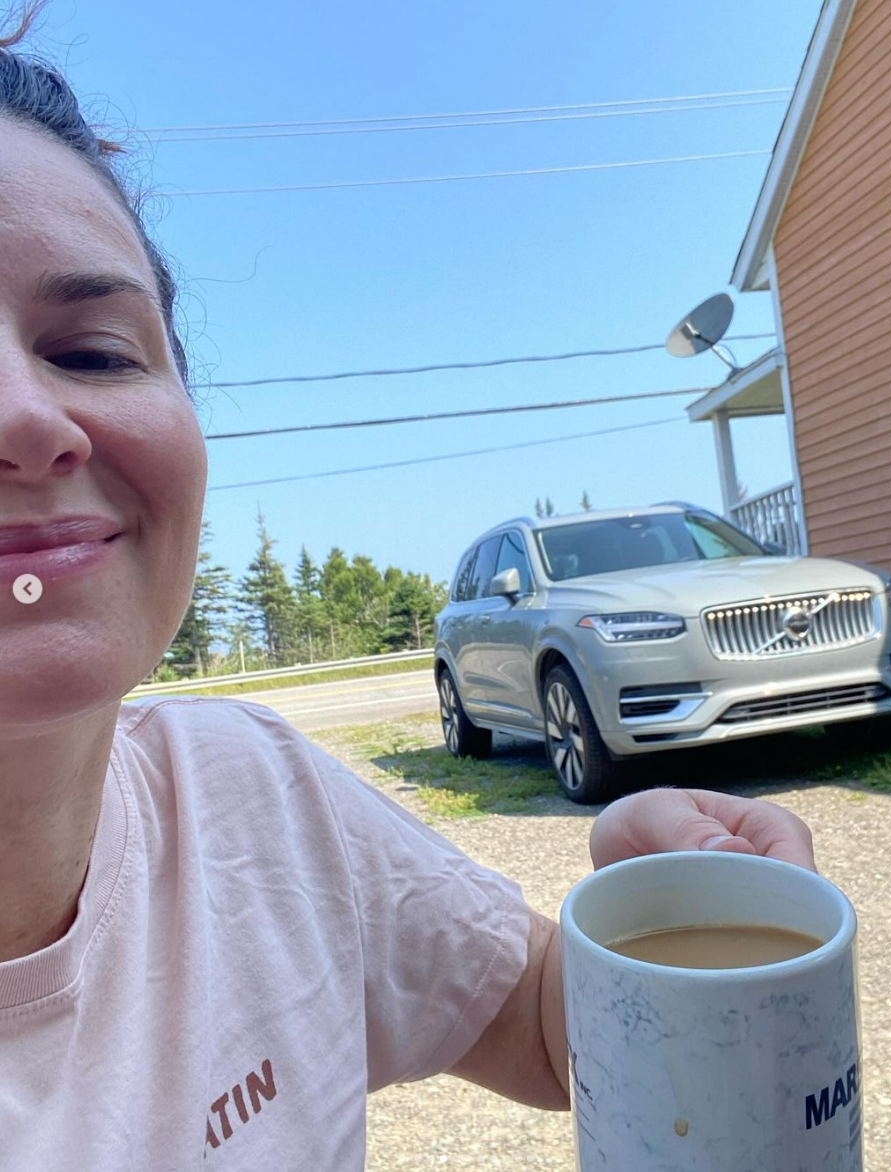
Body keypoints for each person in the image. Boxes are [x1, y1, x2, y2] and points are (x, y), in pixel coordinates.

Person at [0, 13, 816, 1170]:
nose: (28, 420)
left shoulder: (249, 799)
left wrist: (663, 931)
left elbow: (535, 1020)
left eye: (90, 352)